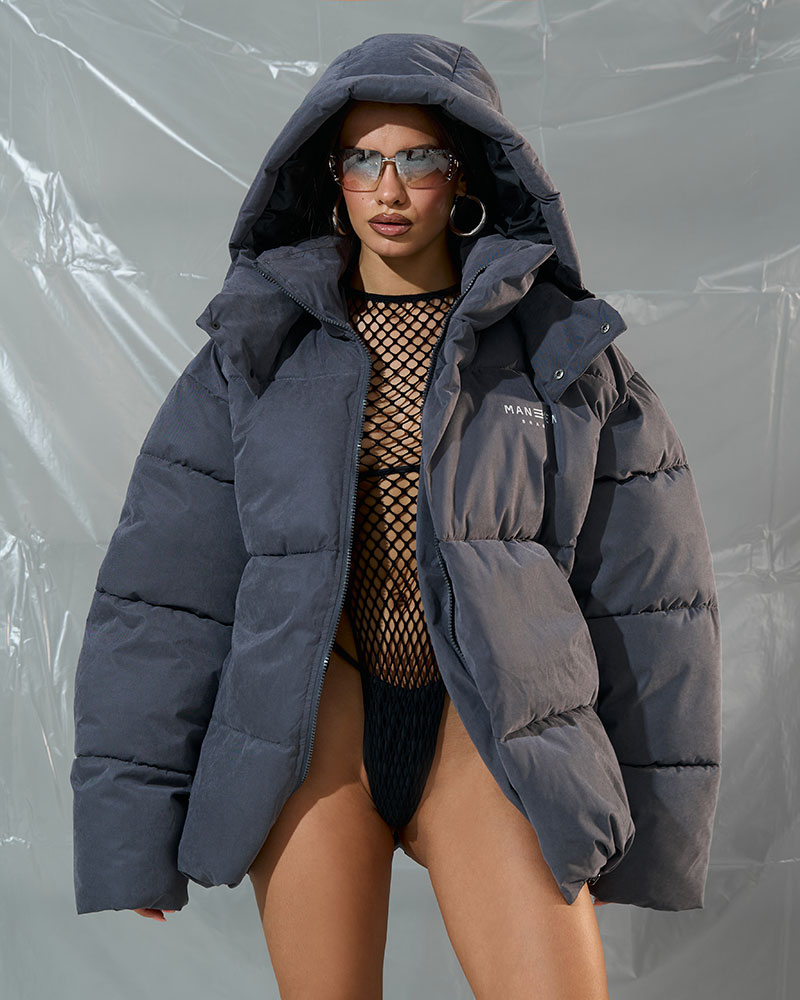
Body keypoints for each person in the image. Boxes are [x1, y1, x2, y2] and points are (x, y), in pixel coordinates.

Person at [70, 32, 722, 1000]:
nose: (387, 188)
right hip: (313, 738)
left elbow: (650, 601)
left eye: (416, 158)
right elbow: (162, 595)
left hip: (490, 732)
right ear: (328, 176)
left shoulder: (560, 356)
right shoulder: (255, 355)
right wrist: (130, 830)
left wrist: (657, 831)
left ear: (464, 175)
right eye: (362, 159)